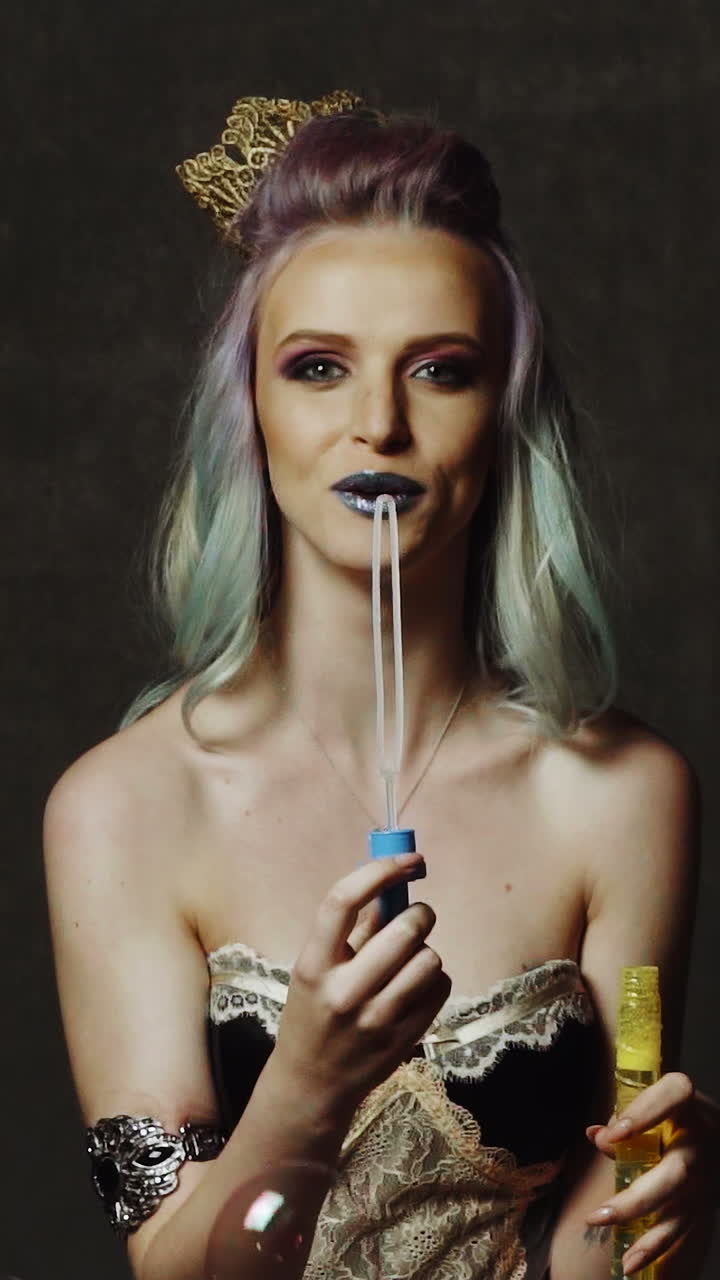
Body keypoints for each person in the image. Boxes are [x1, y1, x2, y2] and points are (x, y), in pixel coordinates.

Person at [43, 91, 718, 1280]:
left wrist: (655, 1202)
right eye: (317, 367)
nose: (378, 425)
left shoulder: (624, 792)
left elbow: (602, 1229)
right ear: (249, 409)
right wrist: (302, 1081)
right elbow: (180, 1266)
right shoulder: (123, 809)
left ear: (503, 417)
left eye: (441, 371)